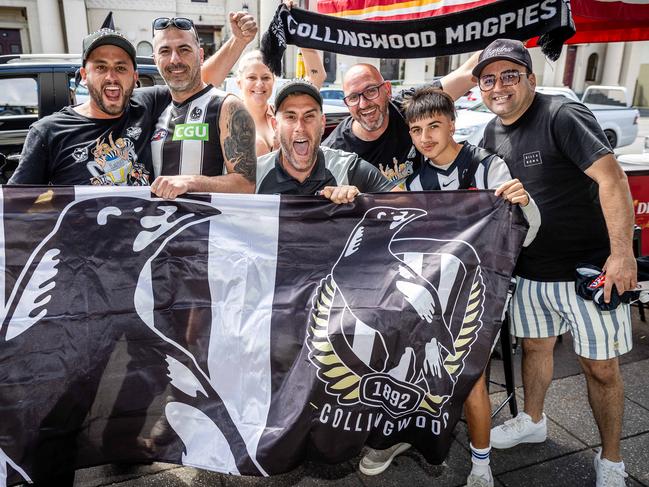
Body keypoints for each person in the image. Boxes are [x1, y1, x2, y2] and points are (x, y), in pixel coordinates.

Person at [356, 86, 541, 486]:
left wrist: (523, 202)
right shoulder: (415, 180)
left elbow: (529, 232)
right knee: (387, 345)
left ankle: (480, 464)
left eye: (434, 126)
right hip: (435, 288)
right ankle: (399, 435)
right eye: (417, 129)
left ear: (453, 124)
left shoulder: (488, 167)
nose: (425, 137)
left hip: (481, 294)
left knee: (467, 372)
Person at [475, 39, 636, 487]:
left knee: (600, 367)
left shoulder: (562, 114)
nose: (499, 86)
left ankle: (613, 460)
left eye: (510, 75)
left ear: (530, 77)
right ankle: (533, 419)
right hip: (529, 272)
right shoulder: (490, 133)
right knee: (535, 348)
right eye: (489, 79)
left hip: (587, 271)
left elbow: (613, 178)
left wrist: (621, 254)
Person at [149, 16, 257, 198]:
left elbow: (245, 185)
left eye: (184, 50)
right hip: (158, 224)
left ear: (200, 55)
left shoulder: (227, 107)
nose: (175, 60)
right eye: (165, 51)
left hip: (207, 224)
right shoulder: (153, 107)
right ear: (155, 60)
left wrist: (190, 183)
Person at [322, 55, 478, 181]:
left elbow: (468, 73)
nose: (363, 104)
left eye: (370, 91)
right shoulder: (334, 151)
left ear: (387, 90)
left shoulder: (408, 105)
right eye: (353, 97)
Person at [256, 80, 397, 200]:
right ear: (275, 125)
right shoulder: (255, 174)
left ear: (322, 123)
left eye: (309, 116)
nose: (300, 127)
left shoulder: (347, 168)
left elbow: (408, 206)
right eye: (290, 117)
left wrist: (361, 201)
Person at [235, 47, 325, 156]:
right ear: (239, 82)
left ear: (273, 81)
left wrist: (302, 38)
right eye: (252, 78)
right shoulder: (227, 119)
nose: (259, 84)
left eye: (266, 77)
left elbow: (317, 76)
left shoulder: (282, 113)